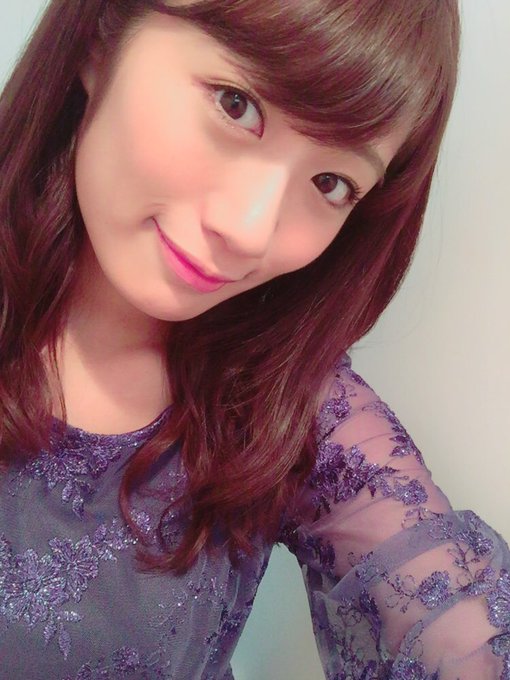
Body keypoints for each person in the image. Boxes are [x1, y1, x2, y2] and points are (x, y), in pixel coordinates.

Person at [0, 0, 508, 678]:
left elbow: (456, 632)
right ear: (100, 36)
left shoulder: (290, 408)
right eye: (235, 105)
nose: (250, 229)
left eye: (331, 183)